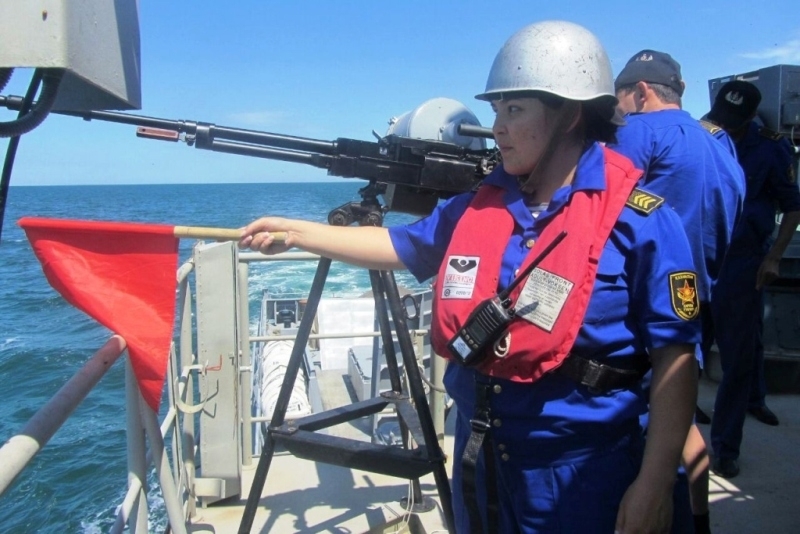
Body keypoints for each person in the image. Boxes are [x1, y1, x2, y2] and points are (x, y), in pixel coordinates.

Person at [240, 20, 701, 533]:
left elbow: (676, 359)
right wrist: (296, 233)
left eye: (514, 110)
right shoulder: (479, 208)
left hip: (582, 474)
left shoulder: (641, 222)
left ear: (570, 114)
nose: (497, 127)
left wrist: (654, 483)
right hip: (481, 463)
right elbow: (399, 245)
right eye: (496, 111)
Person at [609, 50, 746, 534]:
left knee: (647, 429)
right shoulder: (721, 143)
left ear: (640, 92)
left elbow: (597, 205)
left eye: (619, 101)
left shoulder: (637, 132)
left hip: (642, 311)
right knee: (681, 419)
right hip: (697, 302)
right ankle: (700, 522)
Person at [704, 80, 800, 479]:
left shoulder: (772, 148)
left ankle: (726, 446)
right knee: (685, 343)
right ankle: (683, 411)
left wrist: (774, 256)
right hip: (700, 258)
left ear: (751, 118)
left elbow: (792, 205)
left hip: (743, 263)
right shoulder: (703, 135)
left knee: (739, 355)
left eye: (734, 122)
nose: (726, 127)